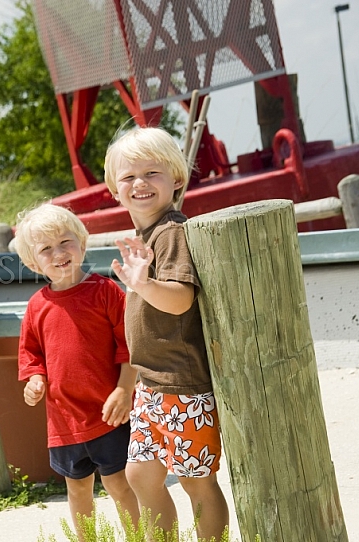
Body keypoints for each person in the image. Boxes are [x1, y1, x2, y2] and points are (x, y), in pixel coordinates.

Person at [104, 126, 229, 540]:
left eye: (152, 173)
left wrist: (144, 286)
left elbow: (180, 300)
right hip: (151, 384)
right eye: (128, 177)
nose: (139, 183)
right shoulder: (147, 235)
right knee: (140, 475)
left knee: (197, 482)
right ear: (114, 189)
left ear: (176, 179)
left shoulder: (171, 231)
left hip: (182, 384)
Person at [15, 202, 139, 541]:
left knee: (119, 485)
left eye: (65, 242)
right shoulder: (37, 306)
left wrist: (124, 389)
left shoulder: (106, 292)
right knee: (78, 491)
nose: (59, 253)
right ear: (31, 262)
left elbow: (128, 345)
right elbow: (31, 354)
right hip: (65, 420)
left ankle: (138, 538)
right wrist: (35, 380)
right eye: (46, 249)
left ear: (82, 244)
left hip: (109, 412)